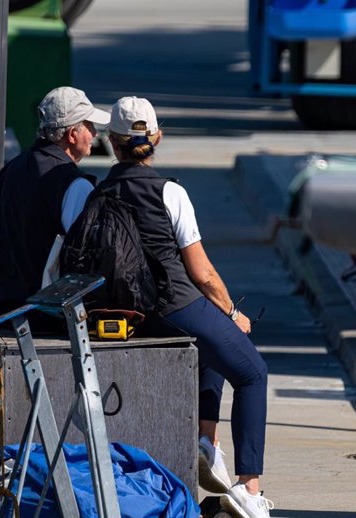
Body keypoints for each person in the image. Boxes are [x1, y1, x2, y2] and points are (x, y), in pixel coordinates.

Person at [103, 96, 273, 518]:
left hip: (124, 316)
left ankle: (206, 441)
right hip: (173, 306)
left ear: (112, 142)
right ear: (157, 138)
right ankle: (249, 487)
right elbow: (203, 275)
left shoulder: (96, 192)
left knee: (215, 333)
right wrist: (233, 312)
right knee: (252, 373)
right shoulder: (170, 192)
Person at [0, 86, 110, 332]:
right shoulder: (73, 184)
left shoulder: (11, 170)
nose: (95, 133)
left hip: (7, 311)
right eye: (89, 126)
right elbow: (86, 258)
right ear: (72, 134)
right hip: (47, 320)